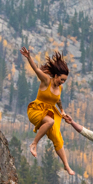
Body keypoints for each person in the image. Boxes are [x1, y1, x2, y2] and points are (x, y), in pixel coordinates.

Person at [21, 47, 76, 175]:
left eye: (64, 81)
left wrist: (62, 111)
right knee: (50, 122)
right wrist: (29, 57)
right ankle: (34, 144)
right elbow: (36, 70)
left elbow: (57, 100)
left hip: (49, 113)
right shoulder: (46, 81)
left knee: (57, 138)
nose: (62, 82)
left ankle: (66, 165)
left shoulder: (59, 88)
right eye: (61, 79)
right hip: (36, 110)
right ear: (55, 76)